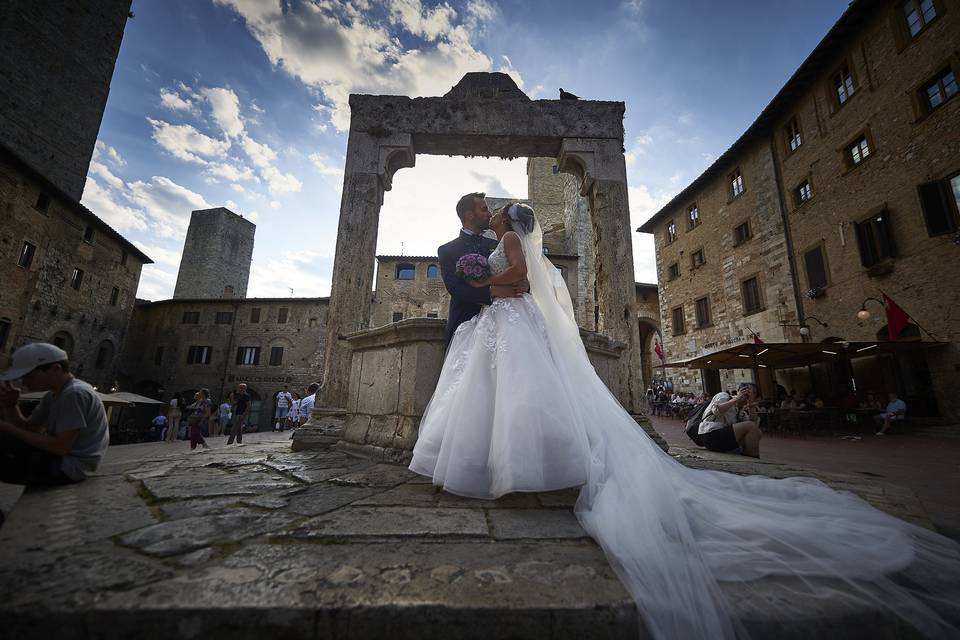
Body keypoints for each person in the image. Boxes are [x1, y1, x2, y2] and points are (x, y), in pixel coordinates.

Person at [408, 202, 960, 639]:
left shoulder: (506, 242)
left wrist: (489, 286)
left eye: (499, 209)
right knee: (513, 394)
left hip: (507, 314)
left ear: (507, 222)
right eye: (489, 207)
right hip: (501, 321)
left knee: (520, 393)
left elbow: (522, 282)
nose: (495, 210)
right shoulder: (493, 241)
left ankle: (519, 464)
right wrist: (488, 287)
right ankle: (519, 460)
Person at [0, 343, 109, 487]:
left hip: (69, 467)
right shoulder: (53, 396)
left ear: (56, 369)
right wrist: (11, 405)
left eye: (29, 376)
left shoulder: (74, 394)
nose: (24, 383)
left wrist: (7, 428)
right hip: (62, 462)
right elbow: (28, 428)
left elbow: (61, 447)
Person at [437, 192, 528, 344]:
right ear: (470, 215)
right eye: (484, 209)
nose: (489, 214)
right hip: (465, 323)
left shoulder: (498, 244)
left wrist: (526, 285)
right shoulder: (447, 250)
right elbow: (455, 288)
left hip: (505, 324)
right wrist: (491, 292)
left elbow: (517, 270)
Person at [697, 383, 762, 457]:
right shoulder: (724, 396)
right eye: (745, 390)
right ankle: (754, 458)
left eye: (752, 393)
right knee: (750, 426)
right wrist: (737, 399)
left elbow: (754, 425)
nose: (747, 394)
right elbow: (717, 410)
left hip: (723, 437)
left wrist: (751, 405)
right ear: (738, 391)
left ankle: (748, 456)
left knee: (757, 432)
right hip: (710, 434)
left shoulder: (742, 410)